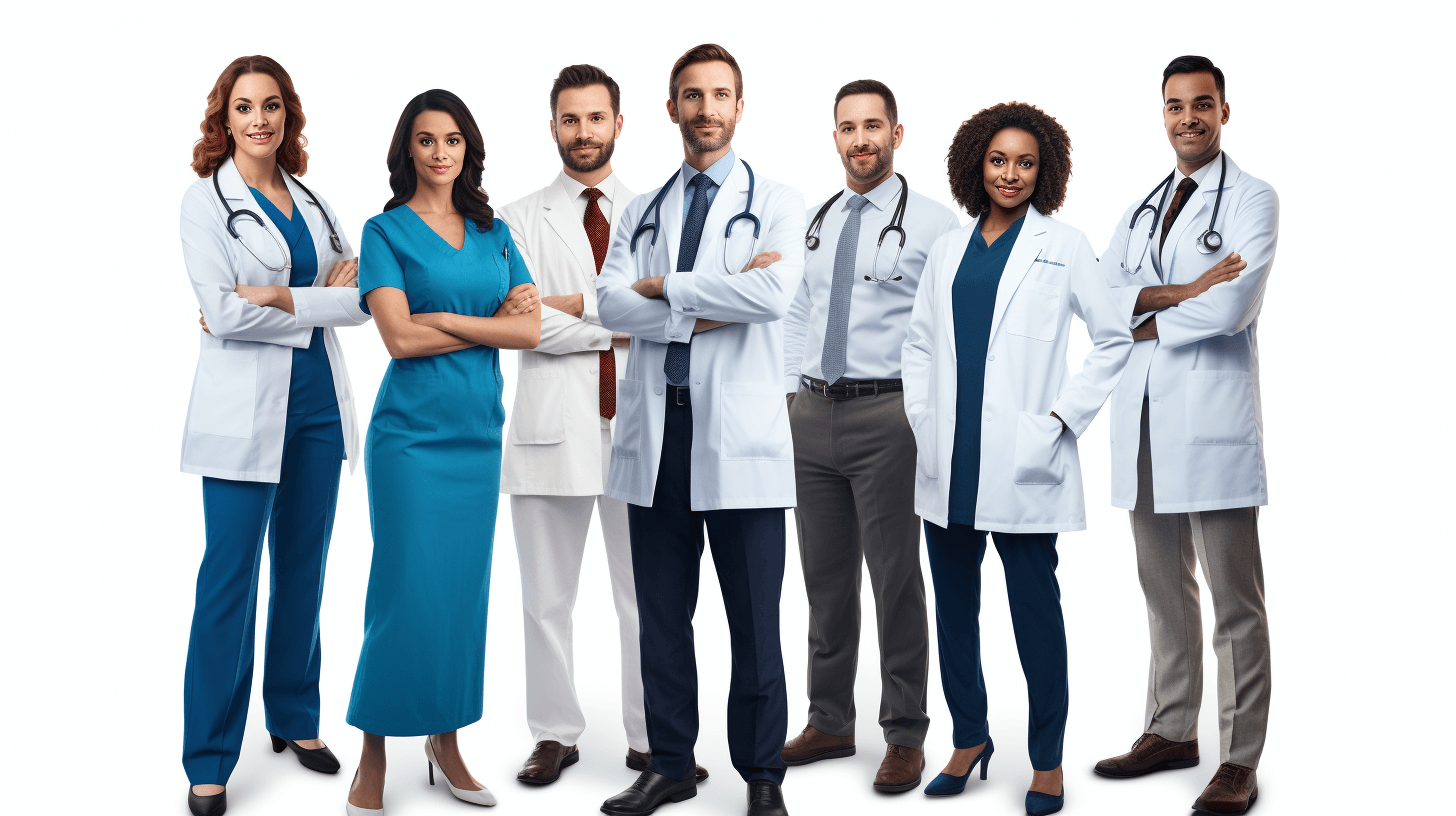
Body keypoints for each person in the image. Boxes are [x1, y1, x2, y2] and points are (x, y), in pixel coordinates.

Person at [901, 103, 1134, 816]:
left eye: (1025, 162)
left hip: (1023, 460)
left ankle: (1046, 759)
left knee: (1036, 618)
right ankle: (969, 739)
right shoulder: (948, 248)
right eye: (999, 160)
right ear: (978, 163)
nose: (1010, 174)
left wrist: (1062, 418)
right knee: (955, 614)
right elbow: (918, 343)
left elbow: (1114, 338)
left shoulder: (1063, 245)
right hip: (950, 460)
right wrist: (923, 416)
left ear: (1046, 170)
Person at [594, 43, 805, 816]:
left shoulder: (780, 200)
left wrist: (665, 292)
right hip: (658, 440)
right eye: (692, 95)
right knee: (661, 616)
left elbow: (775, 294)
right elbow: (608, 305)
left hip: (740, 439)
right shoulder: (641, 208)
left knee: (754, 619)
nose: (706, 109)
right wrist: (712, 299)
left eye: (720, 95)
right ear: (672, 107)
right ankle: (672, 764)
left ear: (739, 107)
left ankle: (762, 777)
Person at [498, 64, 709, 787]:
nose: (583, 132)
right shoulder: (517, 218)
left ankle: (652, 736)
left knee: (645, 597)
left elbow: (676, 317)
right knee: (545, 600)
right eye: (569, 119)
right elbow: (518, 326)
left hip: (639, 432)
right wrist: (617, 313)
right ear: (552, 126)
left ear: (620, 124)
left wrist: (574, 308)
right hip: (548, 433)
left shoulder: (660, 213)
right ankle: (554, 733)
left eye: (596, 118)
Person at [178, 54, 371, 816]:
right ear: (224, 118)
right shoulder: (203, 203)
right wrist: (309, 298)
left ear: (287, 115)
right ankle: (208, 757)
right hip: (242, 416)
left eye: (272, 106)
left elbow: (362, 300)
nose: (260, 119)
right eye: (244, 106)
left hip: (319, 405)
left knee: (303, 569)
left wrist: (279, 298)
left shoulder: (313, 200)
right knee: (228, 582)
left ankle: (293, 717)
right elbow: (223, 314)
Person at [342, 89, 541, 815]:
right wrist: (488, 320)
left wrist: (450, 319)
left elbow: (530, 333)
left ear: (468, 149)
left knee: (459, 597)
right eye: (426, 140)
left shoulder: (493, 232)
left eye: (452, 139)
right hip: (411, 442)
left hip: (477, 436)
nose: (440, 152)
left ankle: (445, 740)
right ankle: (372, 748)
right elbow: (398, 339)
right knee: (402, 595)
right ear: (408, 151)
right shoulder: (384, 231)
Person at [1091, 55, 1277, 816]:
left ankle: (1238, 759)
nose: (1189, 118)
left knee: (1235, 603)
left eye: (1203, 104)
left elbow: (1231, 308)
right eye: (1175, 106)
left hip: (1209, 427)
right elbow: (1099, 298)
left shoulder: (1253, 200)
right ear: (1162, 114)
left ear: (1224, 112)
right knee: (1163, 592)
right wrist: (1166, 302)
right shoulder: (1143, 207)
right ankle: (1171, 731)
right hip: (1141, 426)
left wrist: (1148, 319)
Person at [779, 79, 958, 793]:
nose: (861, 139)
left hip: (888, 418)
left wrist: (922, 414)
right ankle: (828, 719)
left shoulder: (936, 225)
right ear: (834, 138)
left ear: (897, 134)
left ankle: (905, 733)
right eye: (848, 128)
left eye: (873, 126)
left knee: (895, 580)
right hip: (811, 416)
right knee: (824, 581)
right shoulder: (819, 219)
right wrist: (790, 393)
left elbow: (946, 332)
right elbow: (797, 312)